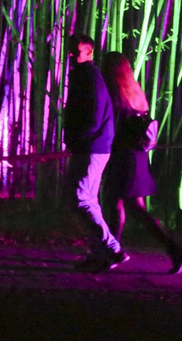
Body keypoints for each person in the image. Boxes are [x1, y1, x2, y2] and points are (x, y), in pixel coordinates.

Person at [101, 52, 182, 275]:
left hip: (123, 156)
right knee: (121, 207)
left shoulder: (115, 95)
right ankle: (111, 252)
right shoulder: (135, 93)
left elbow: (111, 127)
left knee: (131, 209)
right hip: (137, 157)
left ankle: (176, 250)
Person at [64, 34, 125, 269]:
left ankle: (112, 249)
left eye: (76, 51)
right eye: (70, 51)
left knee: (81, 200)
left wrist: (78, 140)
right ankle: (102, 252)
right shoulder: (84, 75)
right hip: (92, 146)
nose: (71, 55)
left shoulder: (89, 77)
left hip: (92, 147)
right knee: (85, 200)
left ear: (89, 52)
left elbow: (94, 116)